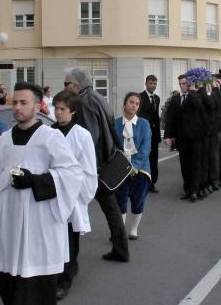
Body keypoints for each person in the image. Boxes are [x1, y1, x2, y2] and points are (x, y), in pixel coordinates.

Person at [0, 82, 80, 305]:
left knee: (33, 277)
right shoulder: (5, 138)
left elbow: (71, 174)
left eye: (23, 103)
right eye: (15, 103)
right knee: (7, 273)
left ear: (37, 106)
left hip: (37, 219)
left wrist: (37, 180)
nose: (17, 108)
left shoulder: (50, 137)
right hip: (8, 218)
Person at [64, 67, 129, 262]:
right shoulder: (98, 97)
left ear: (76, 85)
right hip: (106, 160)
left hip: (97, 165)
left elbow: (89, 138)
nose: (65, 88)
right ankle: (121, 249)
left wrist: (86, 168)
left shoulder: (83, 102)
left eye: (66, 84)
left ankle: (69, 264)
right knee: (112, 208)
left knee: (75, 210)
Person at [52, 90, 97, 300]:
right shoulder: (49, 132)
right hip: (51, 193)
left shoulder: (82, 135)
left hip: (72, 195)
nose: (58, 113)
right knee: (55, 238)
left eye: (62, 109)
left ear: (73, 111)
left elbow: (87, 168)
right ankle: (62, 270)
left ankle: (65, 280)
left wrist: (75, 190)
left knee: (70, 238)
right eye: (56, 109)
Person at [114, 92, 152, 240]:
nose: (134, 105)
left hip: (141, 168)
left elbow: (146, 148)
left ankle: (134, 229)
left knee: (138, 199)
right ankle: (120, 231)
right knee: (121, 200)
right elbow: (113, 147)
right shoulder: (116, 123)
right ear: (125, 103)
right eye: (131, 102)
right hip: (121, 168)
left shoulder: (144, 124)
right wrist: (122, 166)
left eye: (137, 104)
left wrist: (134, 166)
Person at [163, 74, 205, 202]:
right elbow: (170, 118)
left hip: (196, 137)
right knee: (185, 165)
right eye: (180, 83)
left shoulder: (196, 96)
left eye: (184, 83)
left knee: (195, 165)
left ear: (190, 84)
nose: (182, 86)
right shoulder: (175, 99)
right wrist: (168, 136)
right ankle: (187, 190)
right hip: (182, 138)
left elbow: (199, 107)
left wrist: (192, 91)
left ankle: (195, 191)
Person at [138, 75, 161, 192]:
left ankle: (152, 183)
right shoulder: (140, 97)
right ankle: (142, 182)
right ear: (146, 84)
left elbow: (156, 116)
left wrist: (158, 134)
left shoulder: (157, 98)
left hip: (154, 135)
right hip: (144, 135)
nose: (153, 86)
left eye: (155, 83)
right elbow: (140, 116)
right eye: (151, 83)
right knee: (143, 158)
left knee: (153, 159)